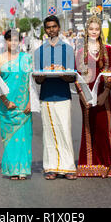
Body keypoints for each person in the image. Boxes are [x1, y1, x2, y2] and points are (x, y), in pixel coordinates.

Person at [75, 15, 111, 178]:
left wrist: (105, 93)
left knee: (104, 128)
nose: (94, 32)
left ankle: (108, 165)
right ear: (86, 31)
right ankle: (90, 165)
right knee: (89, 128)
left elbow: (110, 74)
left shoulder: (107, 50)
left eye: (97, 29)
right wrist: (83, 97)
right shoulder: (81, 51)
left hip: (103, 94)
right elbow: (78, 77)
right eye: (91, 29)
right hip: (86, 95)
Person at [34, 15, 77, 180]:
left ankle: (68, 168)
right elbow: (37, 79)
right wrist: (44, 73)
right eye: (48, 27)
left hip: (63, 95)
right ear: (45, 30)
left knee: (64, 131)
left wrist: (61, 72)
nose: (51, 29)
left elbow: (71, 77)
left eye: (54, 26)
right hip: (46, 95)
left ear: (59, 27)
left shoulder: (67, 49)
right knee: (49, 133)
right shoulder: (39, 51)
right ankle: (50, 167)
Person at [0, 29, 33, 180]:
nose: (13, 43)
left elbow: (30, 82)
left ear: (20, 41)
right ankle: (11, 170)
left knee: (23, 137)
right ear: (6, 41)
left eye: (16, 40)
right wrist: (6, 101)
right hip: (7, 105)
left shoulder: (27, 58)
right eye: (10, 40)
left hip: (24, 105)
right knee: (9, 138)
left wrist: (30, 101)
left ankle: (23, 169)